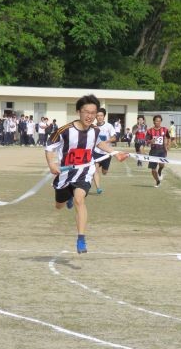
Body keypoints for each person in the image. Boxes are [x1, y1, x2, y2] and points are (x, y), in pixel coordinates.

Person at [45, 95, 127, 254]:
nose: (90, 116)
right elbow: (49, 147)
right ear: (78, 112)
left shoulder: (95, 131)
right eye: (86, 112)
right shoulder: (64, 130)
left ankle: (81, 238)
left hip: (85, 172)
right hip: (65, 173)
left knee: (79, 199)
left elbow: (100, 143)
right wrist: (51, 164)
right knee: (59, 206)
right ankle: (67, 197)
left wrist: (115, 153)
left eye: (93, 113)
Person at [92, 108, 116, 194]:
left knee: (104, 172)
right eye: (98, 115)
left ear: (104, 116)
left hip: (106, 153)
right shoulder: (93, 127)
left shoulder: (109, 126)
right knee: (95, 170)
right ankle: (98, 188)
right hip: (96, 152)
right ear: (95, 117)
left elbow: (114, 138)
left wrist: (105, 142)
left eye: (101, 115)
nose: (99, 117)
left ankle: (103, 167)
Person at [146, 115, 170, 188]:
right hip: (153, 151)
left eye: (159, 121)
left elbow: (168, 137)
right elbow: (146, 141)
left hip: (162, 150)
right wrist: (150, 141)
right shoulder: (149, 130)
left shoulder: (164, 129)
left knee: (162, 164)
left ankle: (160, 170)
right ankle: (157, 181)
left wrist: (168, 145)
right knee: (153, 169)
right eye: (157, 121)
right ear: (154, 121)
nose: (158, 122)